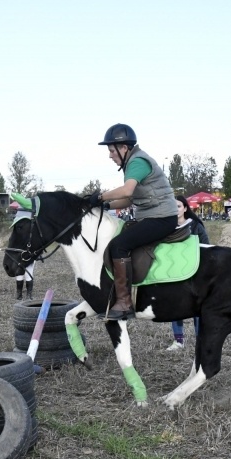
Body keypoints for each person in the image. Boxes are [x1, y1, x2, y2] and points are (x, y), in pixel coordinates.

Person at [89, 123, 177, 320]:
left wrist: (102, 196)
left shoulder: (137, 162)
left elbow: (127, 191)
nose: (110, 155)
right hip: (152, 216)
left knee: (118, 246)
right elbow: (130, 199)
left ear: (123, 148)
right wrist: (104, 207)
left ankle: (125, 303)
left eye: (111, 150)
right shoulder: (133, 163)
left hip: (161, 218)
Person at [166, 196, 209, 350]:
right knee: (175, 306)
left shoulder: (196, 226)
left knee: (196, 306)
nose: (175, 209)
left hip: (194, 271)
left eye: (178, 206)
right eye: (172, 207)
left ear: (185, 208)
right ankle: (178, 341)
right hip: (174, 272)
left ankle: (200, 340)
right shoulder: (166, 227)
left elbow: (206, 246)